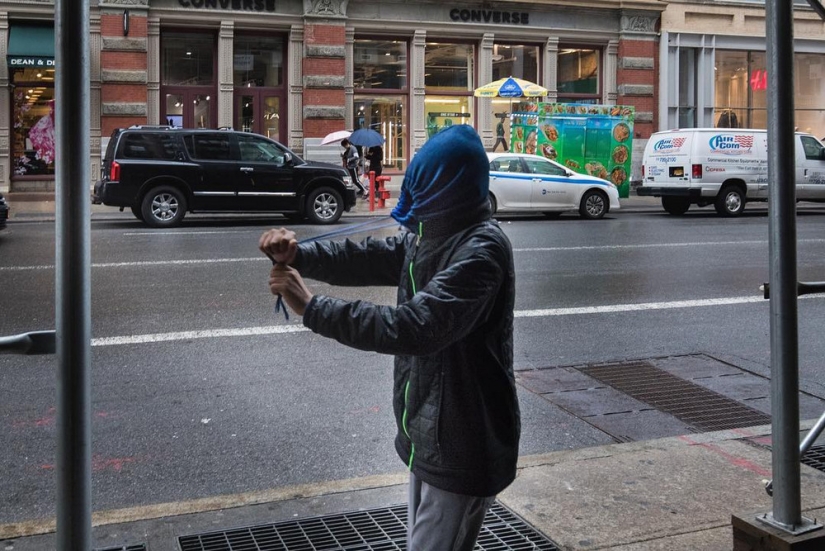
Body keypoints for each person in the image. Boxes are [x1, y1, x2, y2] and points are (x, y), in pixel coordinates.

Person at [260, 124, 520, 551]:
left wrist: (312, 307)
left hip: (463, 442)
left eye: (423, 192)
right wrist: (300, 256)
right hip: (430, 436)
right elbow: (370, 257)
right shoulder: (431, 237)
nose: (411, 208)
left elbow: (414, 327)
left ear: (449, 192)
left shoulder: (481, 250)